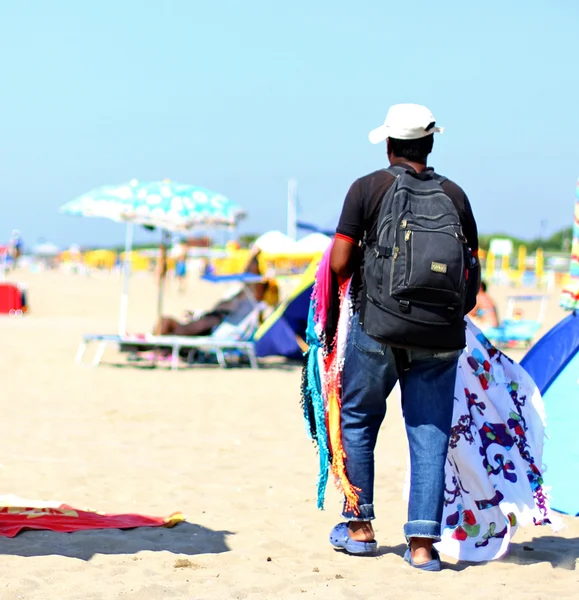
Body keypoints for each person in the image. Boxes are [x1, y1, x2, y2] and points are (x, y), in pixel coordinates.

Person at [329, 104, 479, 571]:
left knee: (357, 420)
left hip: (378, 327)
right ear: (430, 144)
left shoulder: (367, 187)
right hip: (441, 336)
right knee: (429, 434)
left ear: (390, 146)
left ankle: (360, 529)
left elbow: (338, 263)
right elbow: (471, 276)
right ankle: (422, 547)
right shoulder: (455, 195)